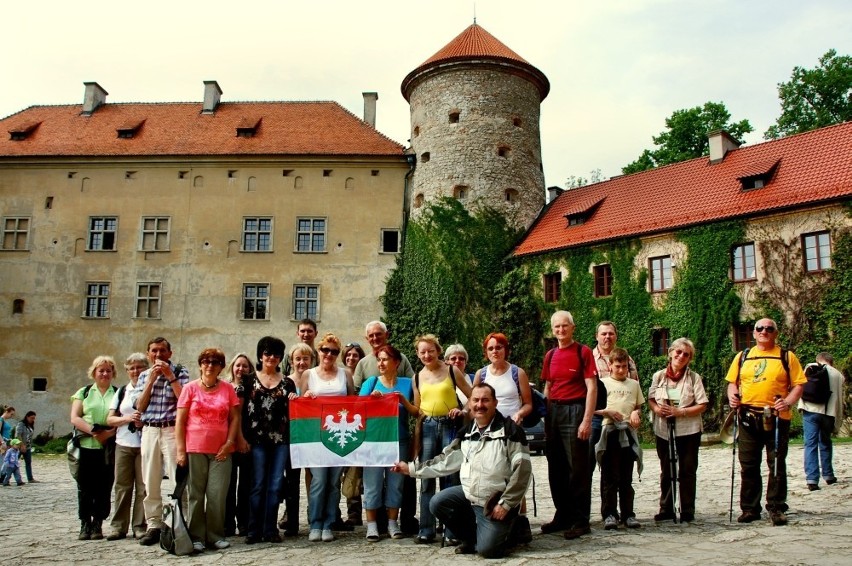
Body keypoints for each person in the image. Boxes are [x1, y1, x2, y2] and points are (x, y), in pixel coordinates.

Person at [392, 383, 532, 558]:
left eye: (485, 400)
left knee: (489, 551)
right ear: (470, 403)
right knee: (438, 502)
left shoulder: (511, 431)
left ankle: (513, 527)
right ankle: (471, 538)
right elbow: (444, 461)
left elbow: (523, 471)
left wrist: (506, 504)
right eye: (475, 400)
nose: (480, 405)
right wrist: (411, 469)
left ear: (495, 403)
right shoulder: (465, 433)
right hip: (470, 495)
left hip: (495, 502)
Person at [726, 318, 806, 526]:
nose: (764, 332)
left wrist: (788, 402)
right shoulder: (743, 356)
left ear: (775, 333)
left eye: (769, 329)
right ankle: (750, 508)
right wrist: (733, 396)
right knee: (748, 465)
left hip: (777, 418)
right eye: (760, 329)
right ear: (753, 333)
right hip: (748, 417)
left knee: (776, 463)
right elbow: (732, 383)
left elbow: (798, 384)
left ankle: (776, 507)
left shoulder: (786, 356)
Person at [176, 348, 241, 552]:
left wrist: (230, 442)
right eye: (206, 361)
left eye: (215, 362)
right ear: (200, 364)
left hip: (221, 450)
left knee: (217, 494)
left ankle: (215, 535)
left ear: (221, 367)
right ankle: (196, 536)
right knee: (195, 494)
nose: (210, 365)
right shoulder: (189, 389)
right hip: (195, 448)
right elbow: (180, 421)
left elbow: (235, 418)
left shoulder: (228, 389)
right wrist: (180, 451)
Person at [541, 310, 597, 540]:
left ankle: (580, 519)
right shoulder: (550, 355)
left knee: (578, 467)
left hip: (575, 410)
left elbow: (592, 388)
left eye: (565, 326)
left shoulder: (583, 352)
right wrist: (546, 415)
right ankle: (562, 515)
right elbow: (548, 386)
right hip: (554, 411)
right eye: (557, 327)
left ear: (572, 327)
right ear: (552, 330)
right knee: (556, 467)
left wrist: (586, 420)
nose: (561, 331)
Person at [411, 333, 472, 544]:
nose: (427, 355)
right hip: (428, 426)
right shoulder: (417, 377)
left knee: (450, 477)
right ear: (418, 355)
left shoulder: (452, 371)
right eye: (422, 352)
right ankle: (426, 529)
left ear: (438, 350)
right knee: (426, 477)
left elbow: (473, 396)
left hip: (449, 425)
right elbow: (418, 408)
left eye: (430, 350)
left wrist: (461, 410)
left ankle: (452, 531)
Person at [131, 337, 191, 546]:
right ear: (149, 354)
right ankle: (153, 524)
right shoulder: (144, 376)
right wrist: (150, 382)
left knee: (177, 477)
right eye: (154, 351)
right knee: (150, 478)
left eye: (162, 351)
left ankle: (179, 521)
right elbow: (140, 406)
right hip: (150, 430)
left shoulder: (181, 373)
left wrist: (170, 376)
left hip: (172, 428)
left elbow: (185, 400)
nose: (158, 355)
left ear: (169, 353)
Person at [238, 336, 297, 544]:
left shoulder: (288, 383)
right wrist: (240, 437)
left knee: (275, 485)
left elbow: (295, 412)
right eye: (267, 353)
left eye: (276, 354)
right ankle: (253, 530)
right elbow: (238, 412)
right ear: (260, 355)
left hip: (281, 441)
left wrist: (295, 399)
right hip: (256, 441)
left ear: (280, 358)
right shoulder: (248, 380)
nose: (271, 357)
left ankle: (270, 529)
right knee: (257, 485)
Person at [359, 344, 419, 542]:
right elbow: (358, 410)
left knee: (396, 483)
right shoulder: (371, 382)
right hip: (373, 442)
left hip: (398, 440)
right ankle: (372, 525)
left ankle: (393, 523)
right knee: (372, 483)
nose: (381, 363)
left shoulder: (407, 383)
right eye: (379, 360)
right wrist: (370, 400)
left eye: (385, 359)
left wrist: (402, 400)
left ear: (396, 362)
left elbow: (417, 411)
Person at [648, 338, 708, 523]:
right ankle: (666, 508)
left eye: (686, 354)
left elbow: (703, 404)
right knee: (667, 469)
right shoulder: (659, 376)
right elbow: (650, 398)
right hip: (663, 429)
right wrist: (657, 409)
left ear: (690, 358)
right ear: (671, 352)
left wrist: (680, 412)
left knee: (687, 470)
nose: (681, 356)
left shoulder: (693, 378)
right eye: (678, 352)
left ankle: (687, 509)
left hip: (688, 429)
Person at [302, 333, 355, 542]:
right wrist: (305, 397)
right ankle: (315, 522)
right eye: (325, 350)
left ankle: (328, 523)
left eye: (334, 351)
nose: (329, 354)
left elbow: (353, 403)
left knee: (333, 482)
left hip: (338, 435)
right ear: (319, 351)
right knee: (319, 480)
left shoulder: (346, 374)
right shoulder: (309, 375)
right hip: (316, 436)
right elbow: (299, 404)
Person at [593, 348, 644, 530]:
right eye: (617, 366)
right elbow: (592, 408)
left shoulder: (634, 385)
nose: (621, 370)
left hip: (627, 433)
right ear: (610, 366)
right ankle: (609, 514)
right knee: (609, 476)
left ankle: (628, 514)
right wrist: (607, 412)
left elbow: (638, 406)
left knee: (626, 477)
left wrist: (637, 413)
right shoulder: (602, 383)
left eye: (624, 367)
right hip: (609, 432)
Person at [70, 356, 118, 540]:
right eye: (101, 370)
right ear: (94, 373)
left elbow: (121, 419)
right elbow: (75, 417)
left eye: (108, 370)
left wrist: (108, 434)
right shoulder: (84, 392)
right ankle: (85, 523)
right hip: (86, 446)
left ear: (113, 373)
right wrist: (93, 431)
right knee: (84, 487)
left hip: (107, 448)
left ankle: (98, 522)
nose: (105, 373)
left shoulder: (117, 392)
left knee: (104, 487)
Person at [105, 353, 149, 540]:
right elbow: (110, 419)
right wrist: (127, 419)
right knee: (122, 486)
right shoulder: (122, 391)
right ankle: (118, 526)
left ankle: (139, 525)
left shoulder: (151, 389)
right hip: (123, 443)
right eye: (132, 368)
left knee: (143, 487)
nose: (135, 371)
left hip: (145, 444)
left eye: (139, 367)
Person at [591, 322, 639, 473]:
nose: (607, 337)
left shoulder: (627, 360)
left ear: (616, 336)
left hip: (621, 420)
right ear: (596, 336)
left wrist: (636, 411)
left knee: (622, 467)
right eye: (603, 334)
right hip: (596, 418)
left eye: (611, 334)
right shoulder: (589, 359)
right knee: (588, 464)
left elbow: (635, 388)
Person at [279, 343, 314, 536]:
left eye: (305, 358)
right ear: (291, 361)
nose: (301, 362)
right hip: (291, 437)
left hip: (311, 436)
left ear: (311, 360)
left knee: (313, 477)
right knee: (291, 480)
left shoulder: (315, 380)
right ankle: (291, 521)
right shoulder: (285, 382)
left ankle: (313, 514)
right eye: (298, 359)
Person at [798, 352, 845, 490]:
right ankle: (829, 475)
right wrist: (838, 419)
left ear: (819, 359)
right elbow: (840, 399)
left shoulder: (810, 367)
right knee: (825, 442)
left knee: (810, 444)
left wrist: (800, 406)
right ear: (831, 361)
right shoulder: (838, 375)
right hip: (828, 413)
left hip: (810, 409)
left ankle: (812, 479)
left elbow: (800, 386)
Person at [472, 332, 533, 425]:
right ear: (486, 352)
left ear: (506, 350)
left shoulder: (518, 373)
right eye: (490, 349)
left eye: (498, 347)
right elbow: (473, 401)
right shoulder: (480, 374)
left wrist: (519, 414)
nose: (494, 351)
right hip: (487, 427)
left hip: (512, 427)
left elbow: (528, 404)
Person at [223, 352, 254, 537]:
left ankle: (244, 522)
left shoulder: (251, 388)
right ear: (232, 367)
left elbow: (244, 416)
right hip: (227, 439)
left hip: (246, 439)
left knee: (245, 485)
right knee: (228, 483)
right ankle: (227, 523)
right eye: (238, 365)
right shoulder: (224, 387)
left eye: (245, 366)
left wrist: (242, 438)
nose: (241, 369)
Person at [341, 342, 367, 528]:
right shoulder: (339, 375)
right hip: (341, 428)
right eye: (348, 355)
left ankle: (354, 512)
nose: (351, 358)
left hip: (358, 428)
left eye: (355, 355)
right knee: (341, 471)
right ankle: (334, 512)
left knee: (355, 472)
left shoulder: (365, 378)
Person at [353, 321, 415, 389]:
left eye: (378, 334)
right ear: (367, 339)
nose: (375, 338)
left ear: (387, 334)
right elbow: (356, 391)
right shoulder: (362, 363)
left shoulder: (401, 358)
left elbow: (413, 385)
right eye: (371, 336)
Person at [15, 411, 36, 483]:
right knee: (13, 462)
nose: (32, 420)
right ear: (27, 417)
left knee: (28, 462)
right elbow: (18, 435)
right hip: (19, 446)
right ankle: (5, 477)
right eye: (31, 418)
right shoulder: (21, 424)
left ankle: (30, 478)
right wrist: (22, 445)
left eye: (34, 418)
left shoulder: (30, 425)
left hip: (28, 447)